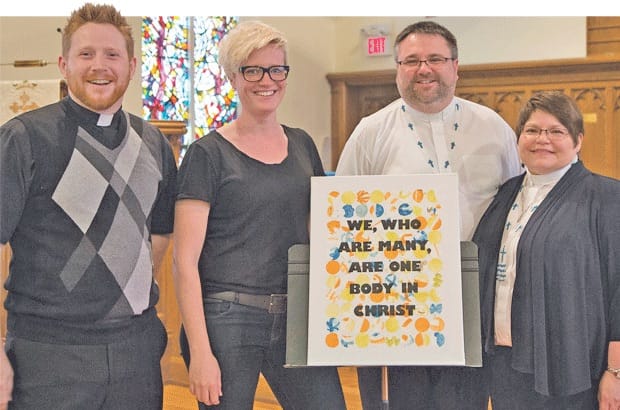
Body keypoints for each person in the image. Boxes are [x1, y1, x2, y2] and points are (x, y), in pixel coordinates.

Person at [335, 20, 522, 409]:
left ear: (455, 66)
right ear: (397, 69)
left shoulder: (494, 128)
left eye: (435, 59)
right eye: (412, 61)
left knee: (466, 399)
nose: (424, 69)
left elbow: (516, 209)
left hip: (476, 297)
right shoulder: (370, 132)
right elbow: (344, 221)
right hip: (398, 299)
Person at [0, 3, 177, 409]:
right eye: (86, 54)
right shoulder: (24, 138)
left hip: (135, 350)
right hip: (48, 354)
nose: (100, 66)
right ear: (64, 64)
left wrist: (121, 289)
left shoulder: (154, 144)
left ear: (131, 66)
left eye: (112, 54)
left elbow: (162, 230)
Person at [173, 20, 346, 410]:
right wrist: (200, 351)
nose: (267, 80)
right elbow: (184, 262)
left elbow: (323, 236)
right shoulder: (206, 154)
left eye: (276, 69)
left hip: (296, 314)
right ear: (233, 77)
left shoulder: (302, 145)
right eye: (253, 70)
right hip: (228, 317)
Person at [472, 91, 620, 409]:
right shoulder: (505, 194)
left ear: (577, 140)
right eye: (533, 130)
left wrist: (616, 372)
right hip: (506, 364)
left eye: (556, 131)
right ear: (519, 139)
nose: (543, 139)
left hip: (574, 369)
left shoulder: (605, 198)